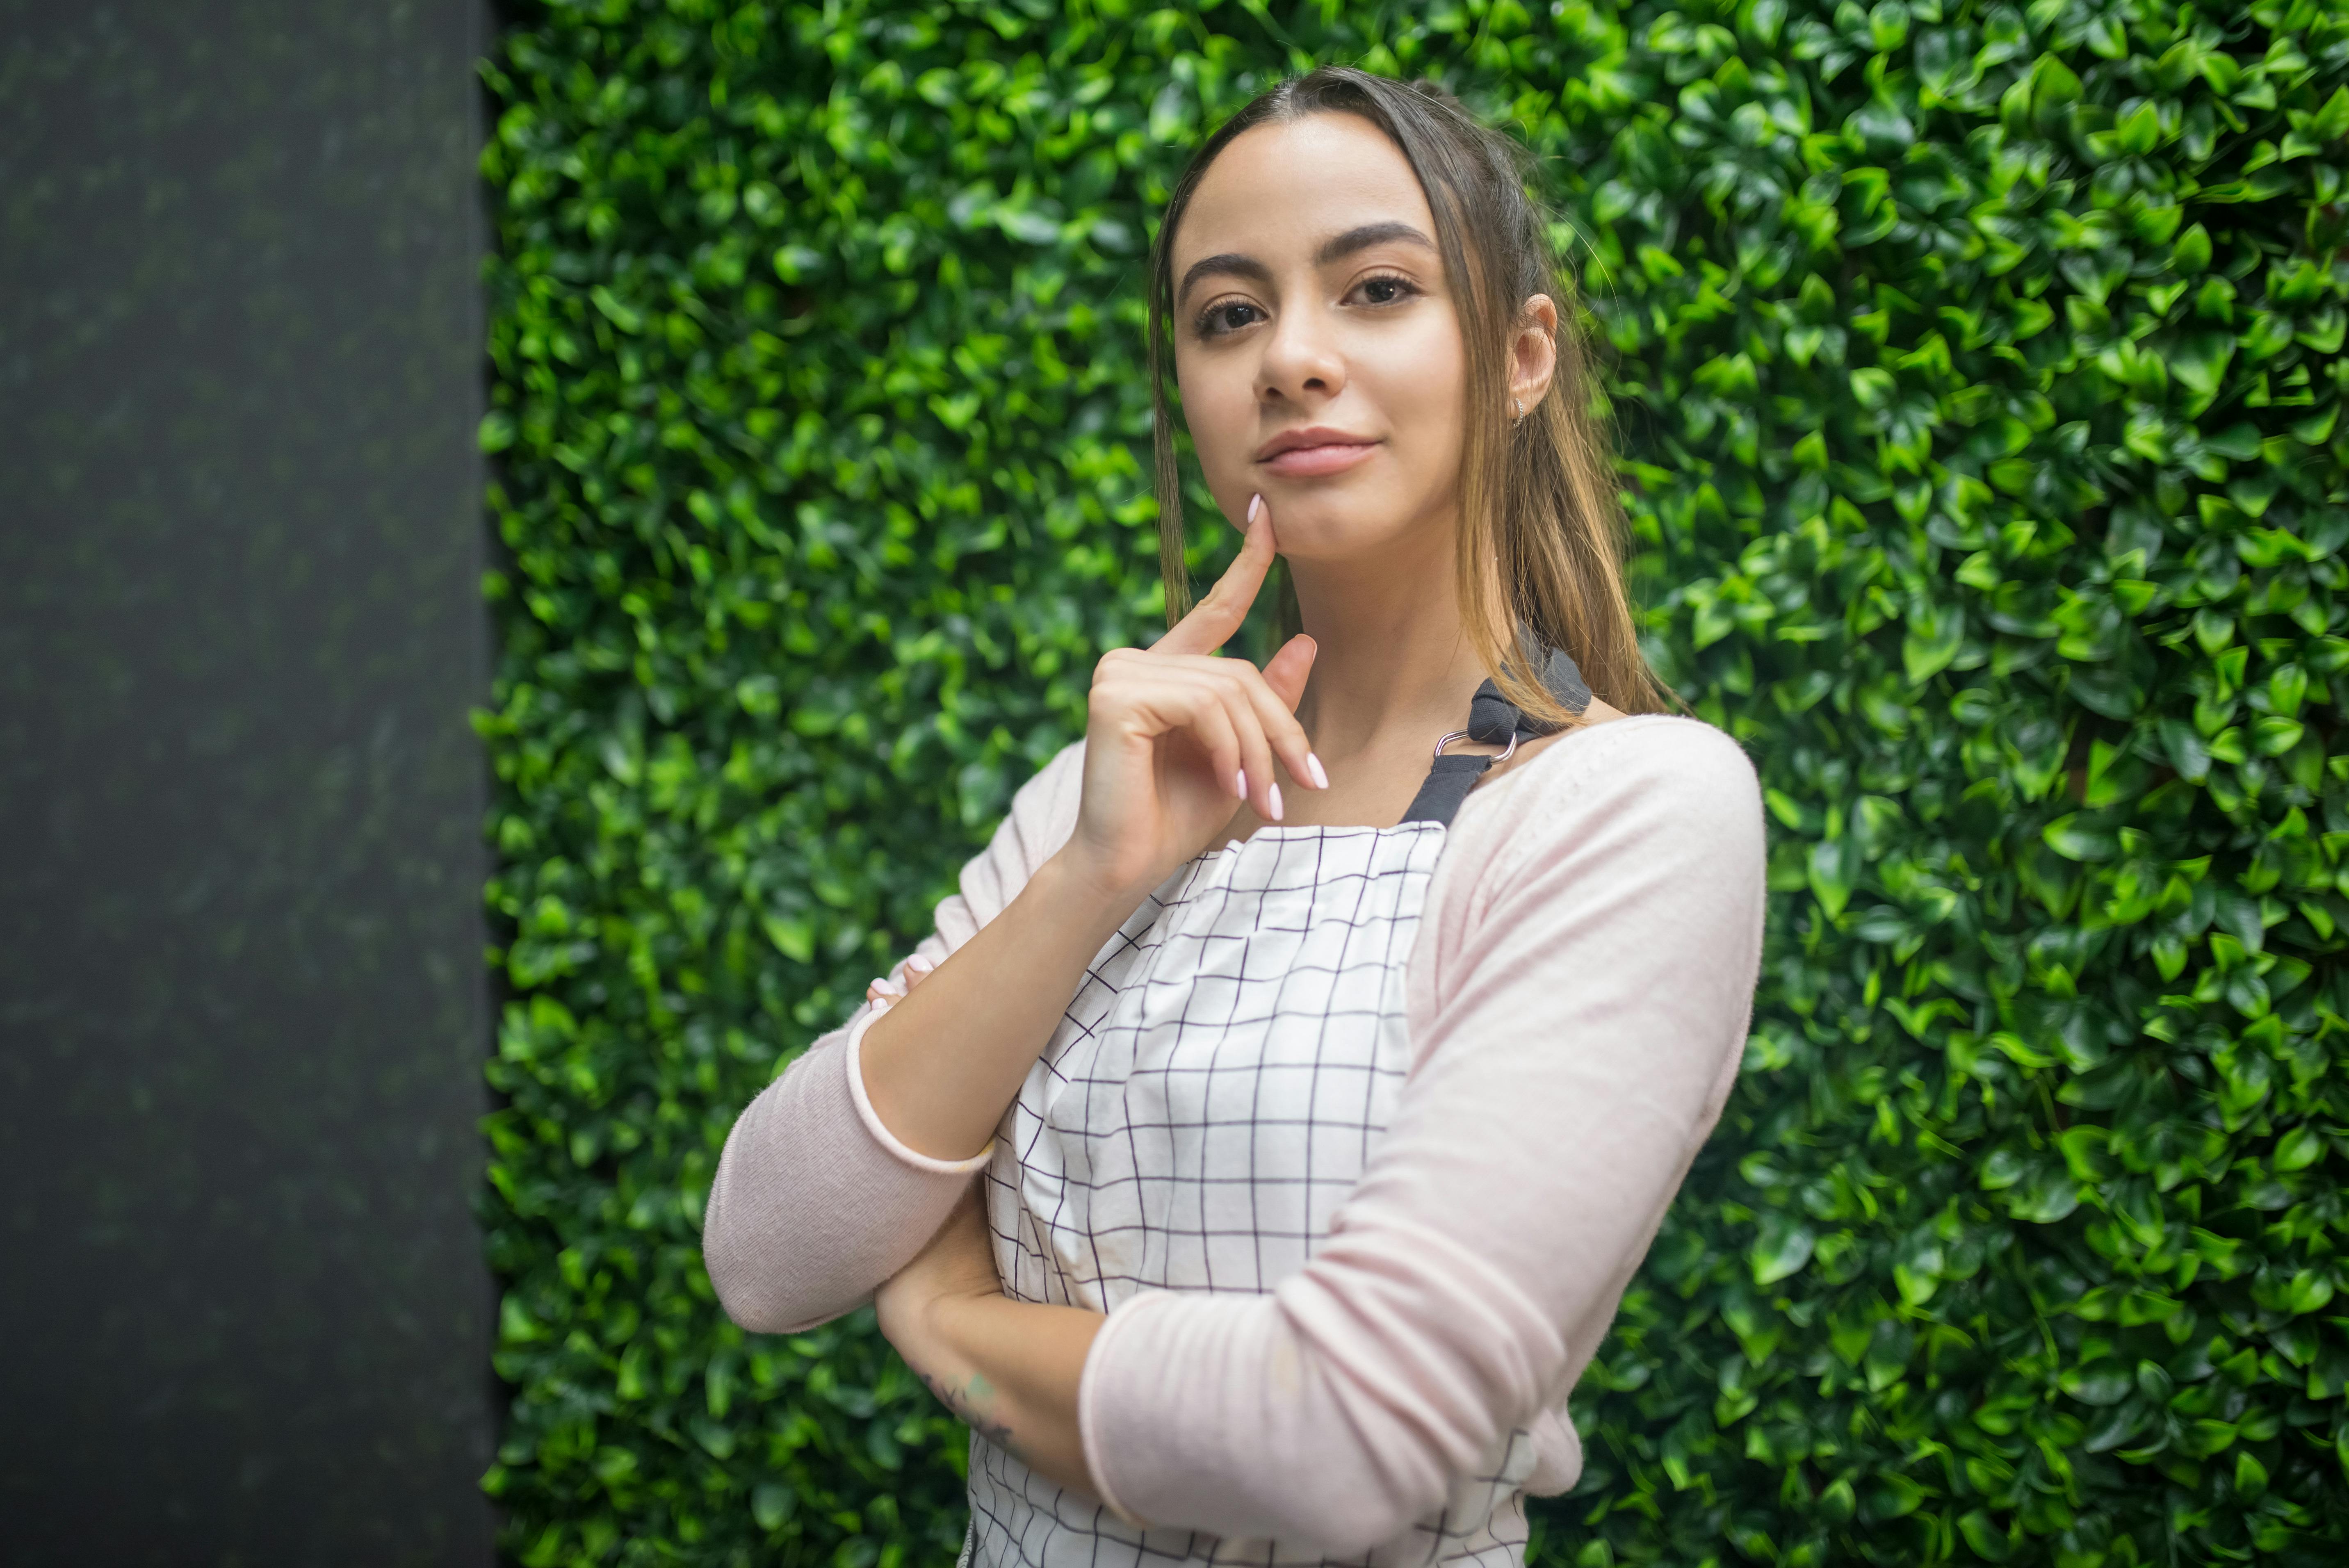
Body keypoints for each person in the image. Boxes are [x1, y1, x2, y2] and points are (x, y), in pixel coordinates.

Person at [702, 66, 1766, 1568]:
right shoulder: (1106, 798)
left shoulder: (1629, 806)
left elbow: (1337, 1437)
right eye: (1228, 315)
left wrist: (951, 1325)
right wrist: (1091, 873)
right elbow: (768, 1247)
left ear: (1523, 354)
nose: (1292, 361)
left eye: (1378, 289)